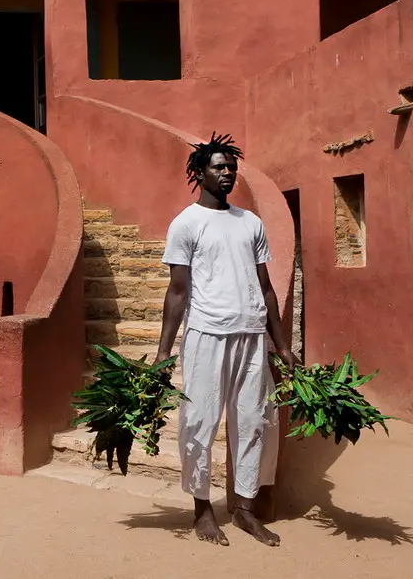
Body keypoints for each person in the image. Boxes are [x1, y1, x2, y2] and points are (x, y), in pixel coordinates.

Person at [155, 133, 300, 547]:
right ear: (199, 173)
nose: (227, 173)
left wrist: (282, 345)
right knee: (199, 422)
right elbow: (177, 291)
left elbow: (266, 287)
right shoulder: (186, 224)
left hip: (252, 336)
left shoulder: (250, 222)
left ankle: (244, 509)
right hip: (206, 335)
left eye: (230, 167)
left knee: (254, 423)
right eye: (219, 167)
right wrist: (164, 352)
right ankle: (202, 510)